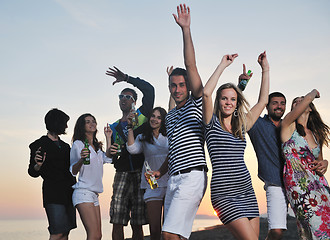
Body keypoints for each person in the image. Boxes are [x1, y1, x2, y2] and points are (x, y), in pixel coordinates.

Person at [152, 5, 208, 240]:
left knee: (168, 235)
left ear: (187, 86)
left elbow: (191, 65)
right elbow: (173, 151)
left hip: (192, 176)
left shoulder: (196, 103)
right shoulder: (171, 115)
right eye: (173, 86)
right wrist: (159, 171)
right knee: (179, 236)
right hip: (173, 178)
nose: (177, 89)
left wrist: (186, 30)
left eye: (181, 85)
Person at [202, 50, 270, 239]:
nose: (228, 102)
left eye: (232, 99)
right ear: (219, 100)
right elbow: (206, 93)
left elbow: (263, 101)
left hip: (246, 191)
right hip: (224, 195)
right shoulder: (211, 123)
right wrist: (223, 65)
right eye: (224, 98)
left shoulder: (242, 125)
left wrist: (265, 68)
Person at [105, 66, 155, 240]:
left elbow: (149, 89)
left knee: (138, 221)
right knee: (117, 219)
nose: (123, 99)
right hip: (122, 173)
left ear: (134, 101)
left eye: (128, 97)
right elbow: (110, 155)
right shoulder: (113, 127)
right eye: (121, 97)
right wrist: (111, 150)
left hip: (142, 172)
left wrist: (126, 78)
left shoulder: (143, 115)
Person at [280, 89, 330, 239]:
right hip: (298, 185)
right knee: (310, 223)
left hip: (319, 185)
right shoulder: (288, 126)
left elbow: (319, 164)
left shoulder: (315, 134)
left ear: (310, 108)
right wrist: (314, 92)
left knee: (325, 222)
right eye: (295, 102)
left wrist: (325, 163)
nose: (299, 102)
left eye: (301, 100)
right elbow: (309, 98)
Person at [28, 108, 76, 240]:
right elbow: (32, 172)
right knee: (57, 232)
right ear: (57, 123)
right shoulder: (39, 145)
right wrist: (38, 165)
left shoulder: (66, 146)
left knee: (65, 232)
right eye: (64, 123)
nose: (66, 126)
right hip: (53, 194)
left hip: (69, 192)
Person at [247, 92, 288, 239]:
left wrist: (324, 161)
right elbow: (237, 114)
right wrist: (242, 86)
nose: (279, 106)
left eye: (282, 103)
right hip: (275, 183)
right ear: (266, 106)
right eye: (275, 103)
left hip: (296, 183)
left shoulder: (290, 125)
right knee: (276, 232)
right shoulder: (257, 124)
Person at [126, 107, 169, 240]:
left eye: (158, 117)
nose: (154, 119)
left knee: (169, 228)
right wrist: (130, 127)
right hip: (152, 184)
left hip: (171, 183)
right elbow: (132, 149)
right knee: (154, 229)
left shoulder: (170, 135)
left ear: (163, 121)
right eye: (153, 116)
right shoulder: (143, 137)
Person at [70, 113, 112, 240]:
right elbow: (72, 170)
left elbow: (109, 158)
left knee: (98, 235)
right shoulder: (78, 144)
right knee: (93, 235)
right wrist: (82, 160)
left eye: (93, 121)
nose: (92, 123)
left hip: (94, 194)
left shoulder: (97, 147)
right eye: (87, 121)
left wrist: (108, 137)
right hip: (83, 192)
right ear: (82, 126)